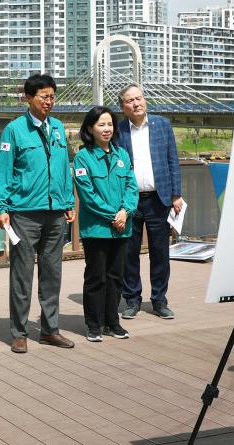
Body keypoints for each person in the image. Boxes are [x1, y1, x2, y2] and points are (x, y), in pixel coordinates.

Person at [0, 73, 76, 353]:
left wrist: (67, 202)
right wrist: (1, 208)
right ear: (28, 98)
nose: (49, 102)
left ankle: (50, 330)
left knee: (52, 274)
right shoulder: (14, 130)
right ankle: (19, 332)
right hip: (24, 213)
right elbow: (3, 171)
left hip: (55, 213)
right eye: (44, 97)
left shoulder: (58, 128)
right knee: (22, 274)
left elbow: (64, 167)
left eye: (52, 96)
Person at [116, 84, 183, 319]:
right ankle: (132, 300)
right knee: (129, 253)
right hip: (130, 201)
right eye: (130, 100)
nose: (136, 103)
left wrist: (176, 194)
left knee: (160, 253)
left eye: (139, 98)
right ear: (123, 107)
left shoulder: (162, 125)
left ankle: (159, 300)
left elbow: (172, 160)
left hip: (159, 199)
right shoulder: (119, 130)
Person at [73, 106, 139, 342]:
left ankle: (113, 322)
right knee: (96, 277)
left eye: (110, 124)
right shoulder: (83, 157)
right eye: (101, 124)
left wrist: (126, 211)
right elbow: (88, 196)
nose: (107, 129)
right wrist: (114, 215)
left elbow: (132, 186)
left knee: (115, 277)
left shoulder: (122, 155)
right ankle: (94, 324)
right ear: (90, 128)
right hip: (97, 229)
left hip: (122, 228)